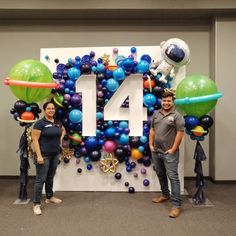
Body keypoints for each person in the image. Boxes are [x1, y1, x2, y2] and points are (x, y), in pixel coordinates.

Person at [149, 90, 185, 218]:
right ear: (161, 101)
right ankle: (165, 195)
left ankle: (176, 206)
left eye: (169, 101)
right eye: (164, 101)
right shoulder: (156, 114)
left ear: (172, 102)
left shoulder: (177, 116)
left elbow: (180, 134)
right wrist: (150, 144)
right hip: (156, 151)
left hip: (169, 152)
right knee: (160, 174)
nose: (166, 103)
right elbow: (152, 130)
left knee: (173, 177)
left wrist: (174, 149)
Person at [32, 102, 65, 215]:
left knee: (50, 177)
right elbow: (35, 140)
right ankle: (36, 204)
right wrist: (39, 156)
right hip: (43, 155)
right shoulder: (39, 123)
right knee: (40, 179)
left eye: (52, 108)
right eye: (48, 108)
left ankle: (49, 197)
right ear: (44, 110)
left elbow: (62, 130)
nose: (51, 110)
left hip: (55, 154)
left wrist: (59, 141)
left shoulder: (57, 122)